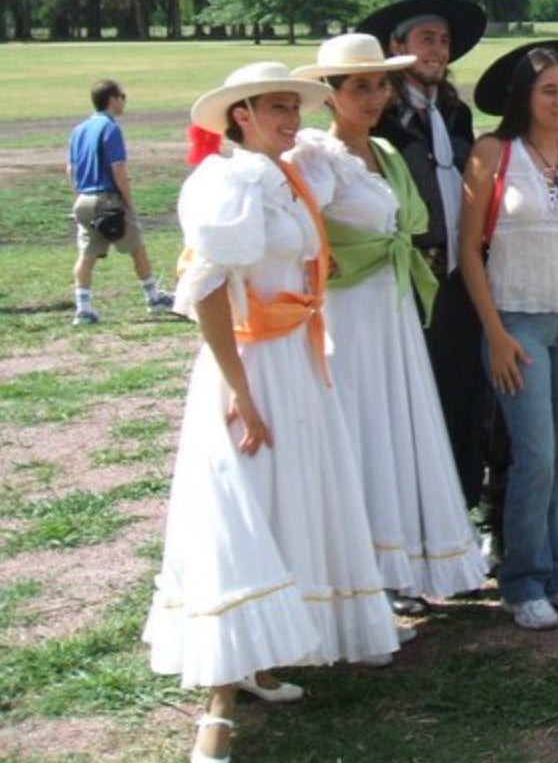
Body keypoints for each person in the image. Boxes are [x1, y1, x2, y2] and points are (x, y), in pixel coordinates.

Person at [145, 63, 401, 763]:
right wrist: (240, 390)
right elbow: (205, 292)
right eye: (276, 108)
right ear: (241, 115)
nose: (291, 118)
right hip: (251, 364)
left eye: (295, 106)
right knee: (241, 505)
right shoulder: (223, 184)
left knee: (294, 498)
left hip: (297, 360)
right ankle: (218, 699)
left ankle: (262, 659)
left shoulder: (288, 178)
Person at [289, 34, 487, 612]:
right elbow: (302, 224)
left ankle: (399, 561)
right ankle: (359, 571)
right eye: (359, 87)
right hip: (348, 312)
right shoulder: (315, 156)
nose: (373, 97)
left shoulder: (390, 152)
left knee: (398, 425)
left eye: (379, 85)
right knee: (361, 427)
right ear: (329, 95)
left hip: (394, 306)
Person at [458, 41, 558, 630]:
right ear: (523, 98)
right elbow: (469, 253)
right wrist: (494, 332)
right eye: (549, 89)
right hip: (517, 320)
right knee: (536, 456)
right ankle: (521, 579)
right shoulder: (493, 153)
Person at [359, 0, 504, 534]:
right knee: (413, 397)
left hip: (462, 272)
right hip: (409, 274)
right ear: (397, 47)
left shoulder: (455, 111)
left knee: (469, 391)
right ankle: (412, 521)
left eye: (443, 41)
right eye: (426, 39)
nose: (437, 51)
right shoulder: (381, 119)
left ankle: (464, 509)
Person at [66, 79, 174, 326]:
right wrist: (128, 201)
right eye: (122, 96)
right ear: (112, 99)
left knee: (86, 255)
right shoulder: (110, 128)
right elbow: (118, 169)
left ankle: (83, 308)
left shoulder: (79, 129)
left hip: (83, 199)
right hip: (108, 198)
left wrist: (79, 198)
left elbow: (70, 169)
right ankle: (153, 297)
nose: (124, 100)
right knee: (137, 247)